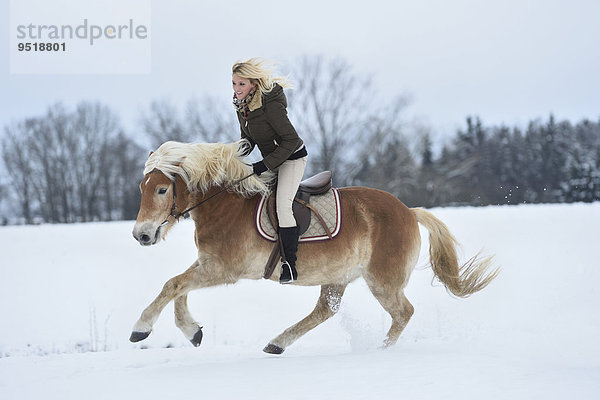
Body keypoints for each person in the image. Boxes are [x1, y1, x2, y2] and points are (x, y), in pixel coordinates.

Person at [232, 58, 307, 284]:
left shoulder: (270, 105)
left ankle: (289, 265)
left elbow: (291, 140)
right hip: (273, 160)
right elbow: (248, 140)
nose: (236, 90)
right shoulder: (242, 106)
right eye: (234, 84)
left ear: (254, 84)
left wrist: (264, 165)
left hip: (293, 158)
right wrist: (230, 158)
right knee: (241, 188)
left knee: (283, 206)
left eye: (241, 84)